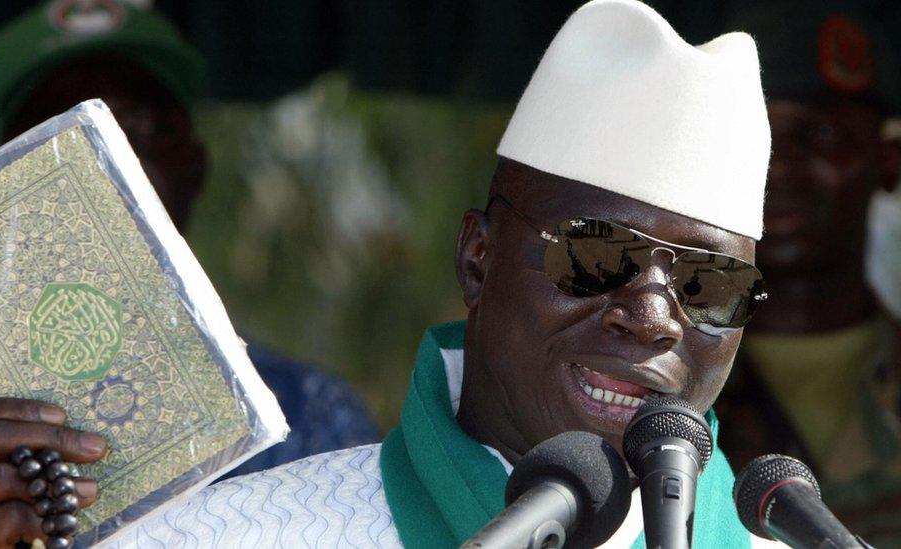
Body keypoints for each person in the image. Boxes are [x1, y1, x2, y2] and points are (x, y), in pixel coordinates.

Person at [98, 1, 776, 546]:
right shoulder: (222, 536)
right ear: (477, 258)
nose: (655, 317)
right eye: (598, 255)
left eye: (709, 285)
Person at [0, 2, 378, 547]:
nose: (111, 156)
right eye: (63, 135)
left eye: (141, 127)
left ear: (194, 167)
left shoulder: (311, 412)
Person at [713, 3, 901, 544]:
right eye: (751, 134)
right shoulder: (649, 381)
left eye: (821, 135)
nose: (779, 164)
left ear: (888, 163)